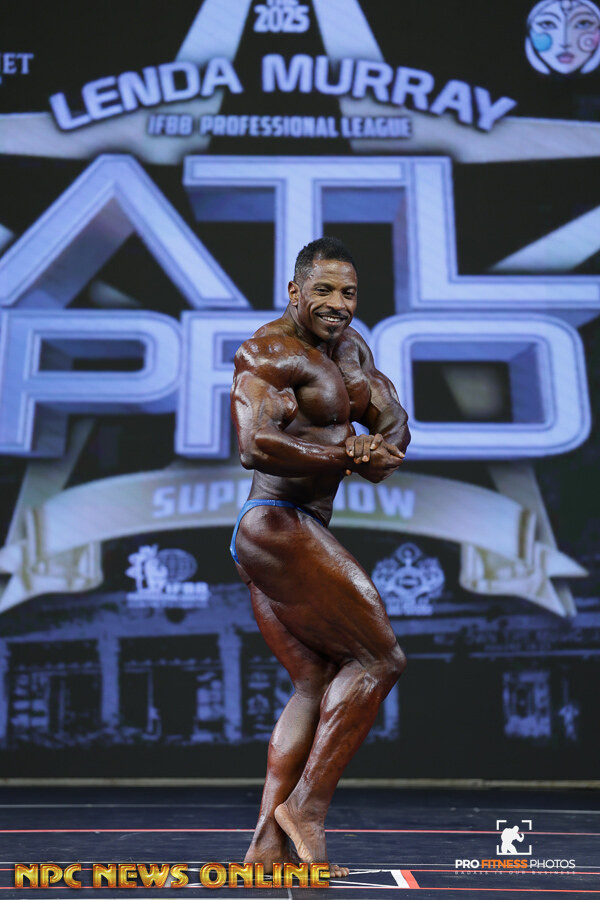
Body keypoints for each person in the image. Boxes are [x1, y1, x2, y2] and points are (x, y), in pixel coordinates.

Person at [230, 237, 410, 877]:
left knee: (314, 681)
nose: (339, 303)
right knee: (380, 658)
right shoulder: (267, 352)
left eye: (349, 293)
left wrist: (380, 447)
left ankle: (265, 845)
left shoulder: (352, 350)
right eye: (325, 290)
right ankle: (305, 807)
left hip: (297, 525)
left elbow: (392, 419)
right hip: (274, 522)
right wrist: (345, 454)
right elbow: (255, 444)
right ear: (295, 291)